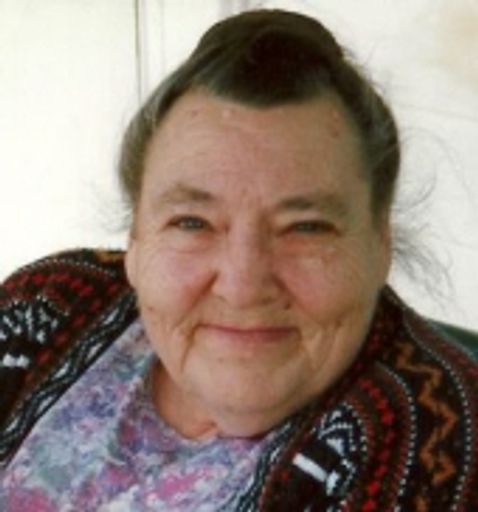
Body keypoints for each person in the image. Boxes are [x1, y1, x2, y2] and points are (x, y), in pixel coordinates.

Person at [0, 8, 477, 511]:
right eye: (191, 222)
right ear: (136, 238)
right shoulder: (48, 304)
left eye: (306, 227)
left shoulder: (434, 446)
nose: (242, 286)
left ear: (380, 243)